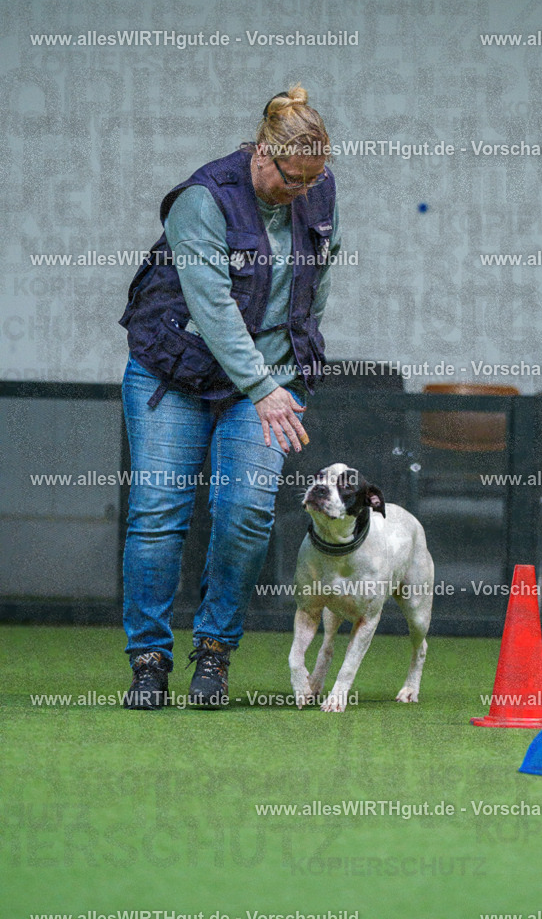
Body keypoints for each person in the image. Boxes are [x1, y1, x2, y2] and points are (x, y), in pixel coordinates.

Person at [118, 85, 338, 709]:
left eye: (312, 181)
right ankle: (150, 659)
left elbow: (317, 279)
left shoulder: (318, 187)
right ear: (264, 151)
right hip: (175, 375)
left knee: (246, 512)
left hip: (267, 381)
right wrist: (265, 387)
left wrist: (294, 362)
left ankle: (214, 652)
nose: (300, 192)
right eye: (291, 179)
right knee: (159, 515)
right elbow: (211, 308)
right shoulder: (203, 200)